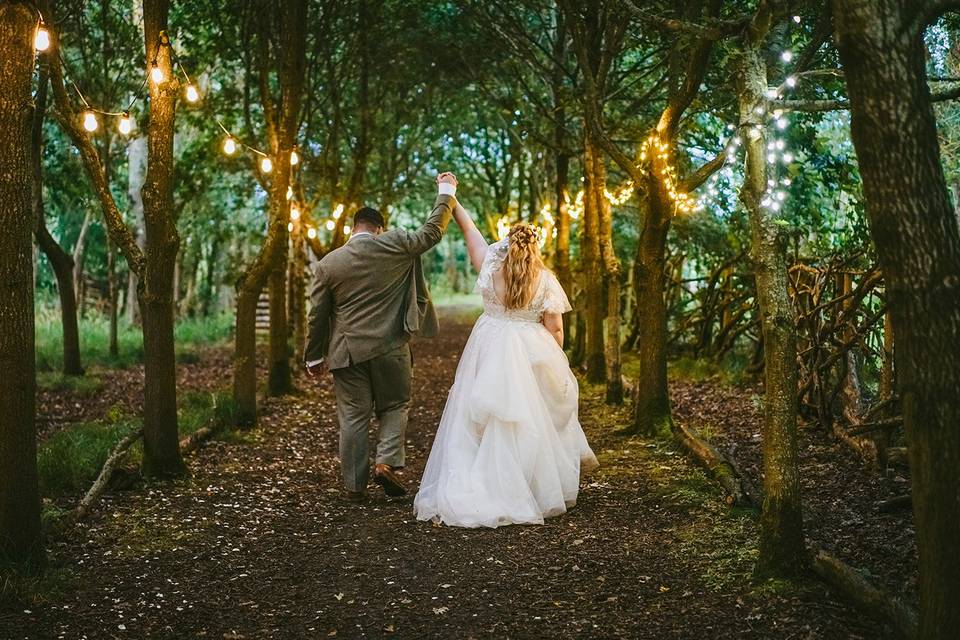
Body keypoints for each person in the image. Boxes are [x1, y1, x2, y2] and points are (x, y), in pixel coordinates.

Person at [413, 202, 598, 528]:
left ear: (506, 243)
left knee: (483, 416)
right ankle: (528, 487)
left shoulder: (489, 265)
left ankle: (484, 479)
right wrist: (557, 359)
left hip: (490, 344)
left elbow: (471, 232)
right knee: (531, 417)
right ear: (534, 246)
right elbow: (554, 325)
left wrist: (453, 203)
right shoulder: (545, 279)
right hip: (532, 348)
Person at [304, 172, 459, 501]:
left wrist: (314, 356)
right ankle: (386, 462)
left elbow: (317, 314)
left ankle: (355, 487)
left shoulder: (329, 264)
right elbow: (432, 232)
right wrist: (446, 192)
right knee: (396, 405)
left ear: (352, 229)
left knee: (353, 417)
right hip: (391, 347)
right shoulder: (396, 244)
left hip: (347, 353)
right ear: (380, 228)